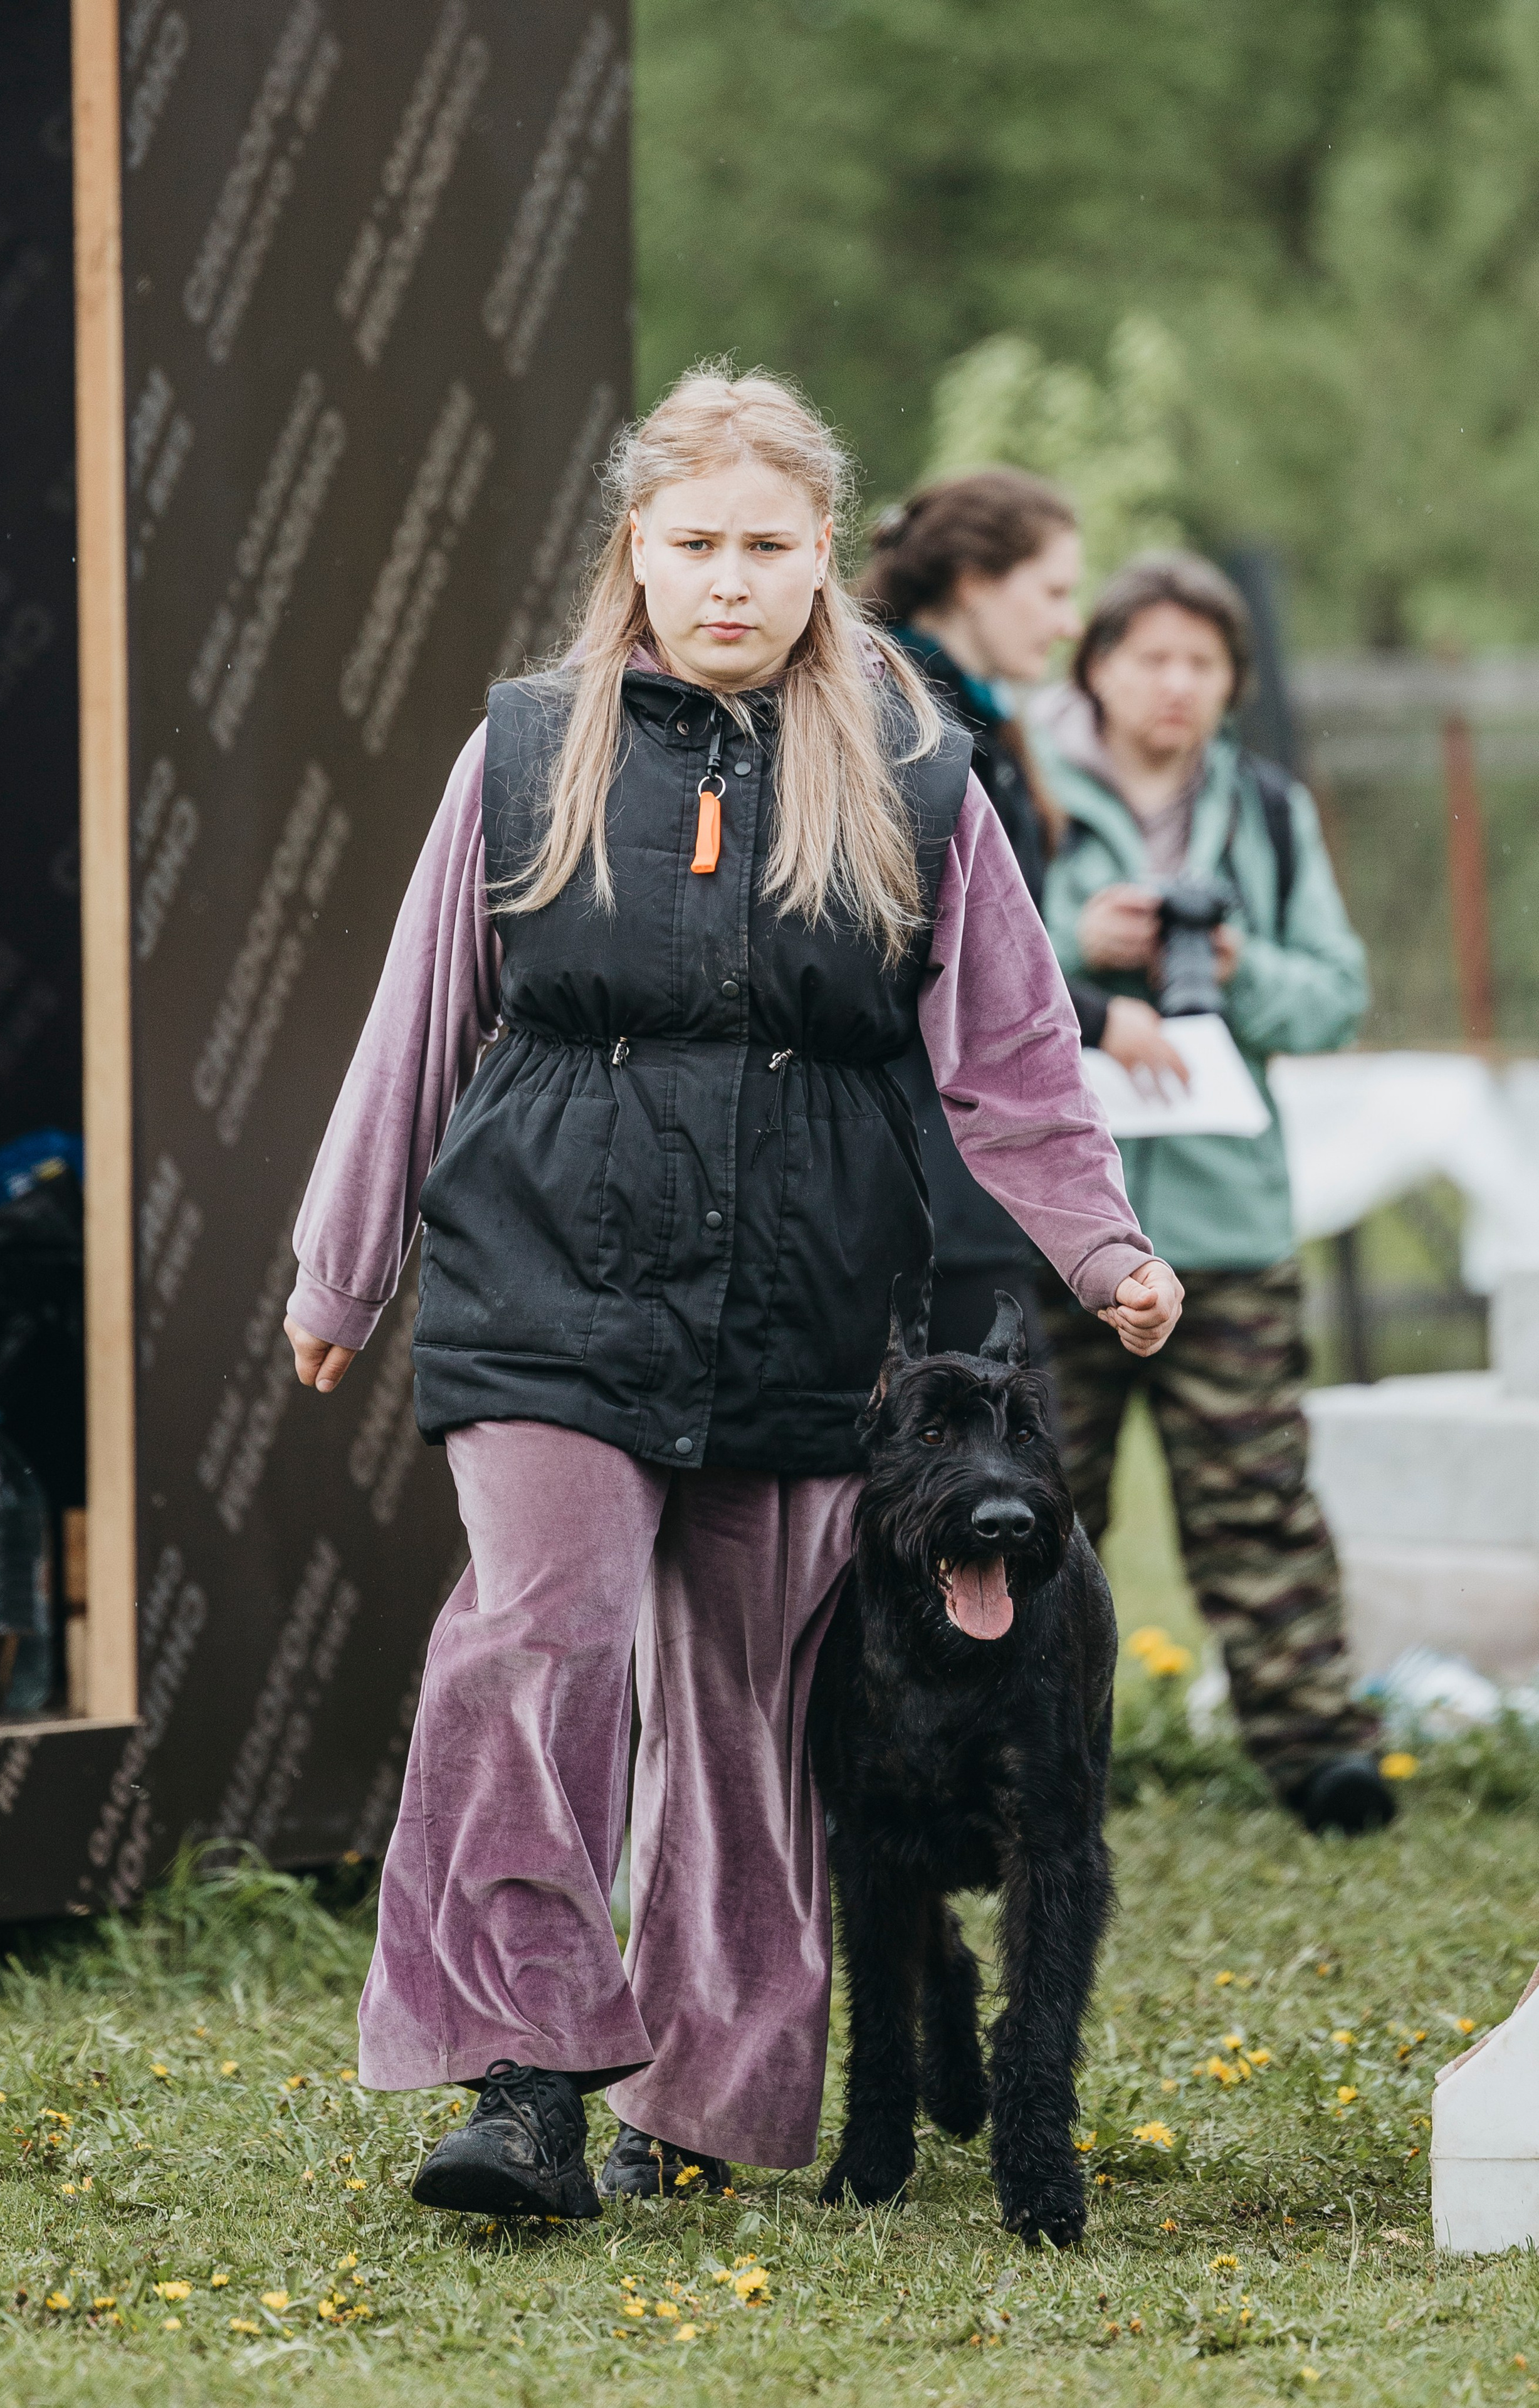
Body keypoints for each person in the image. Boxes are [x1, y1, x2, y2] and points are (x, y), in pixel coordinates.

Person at [283, 369, 1183, 2224]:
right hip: (550, 1281)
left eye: (766, 546)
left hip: (807, 1306)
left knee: (753, 1719)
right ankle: (525, 2079)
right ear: (636, 547)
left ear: (821, 554)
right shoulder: (528, 749)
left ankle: (696, 2102)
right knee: (538, 1641)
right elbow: (417, 1017)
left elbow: (1016, 1051)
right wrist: (342, 1265)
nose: (728, 580)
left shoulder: (918, 775)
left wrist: (1103, 1249)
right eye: (693, 543)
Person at [1034, 549, 1390, 1835]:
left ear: (1234, 682)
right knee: (1038, 1503)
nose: (1175, 685)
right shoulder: (1024, 789)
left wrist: (1236, 964)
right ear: (1097, 667)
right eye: (1150, 658)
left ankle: (1318, 1753)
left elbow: (1335, 997)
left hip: (1227, 1229)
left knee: (1257, 1501)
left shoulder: (1269, 811)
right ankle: (1023, 1765)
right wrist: (1081, 949)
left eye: (1202, 662)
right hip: (1059, 1221)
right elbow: (963, 970)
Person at [861, 472, 1189, 1359]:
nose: (1070, 622)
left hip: (967, 1192)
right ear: (975, 582)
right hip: (925, 1189)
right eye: (1051, 591)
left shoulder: (982, 725)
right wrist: (1099, 1016)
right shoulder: (904, 735)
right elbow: (937, 959)